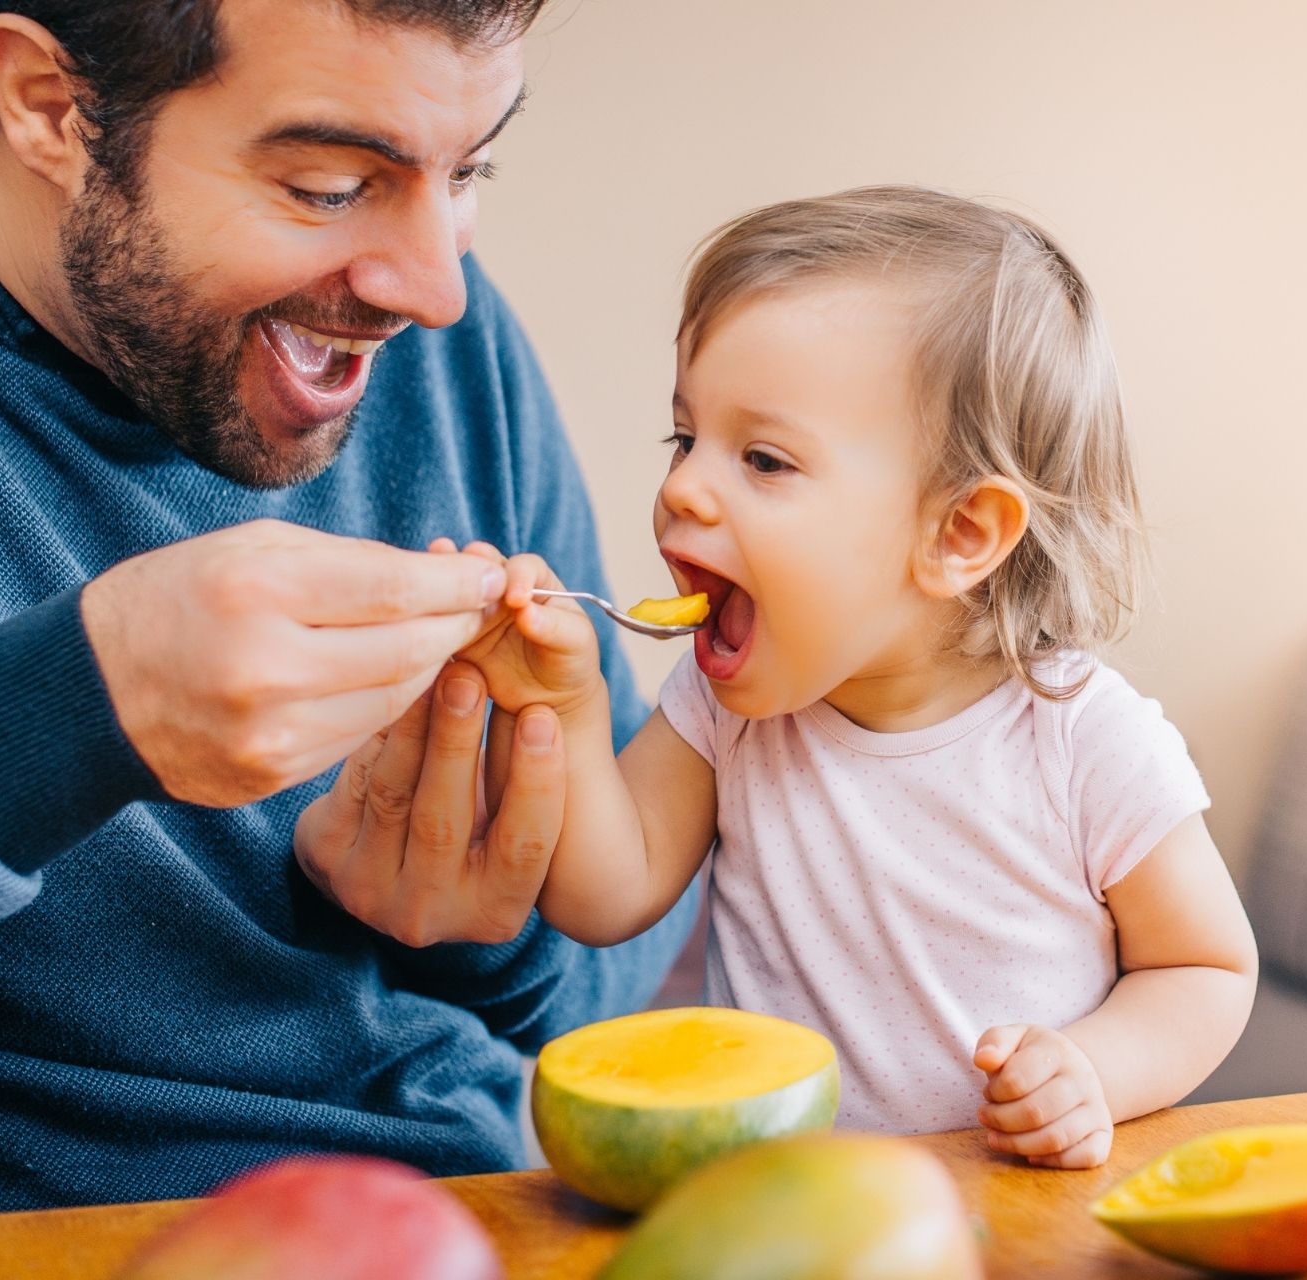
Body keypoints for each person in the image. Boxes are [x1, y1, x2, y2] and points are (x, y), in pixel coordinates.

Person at [0, 0, 692, 1212]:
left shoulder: (428, 341)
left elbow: (633, 946)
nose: (436, 290)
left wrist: (482, 913)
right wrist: (78, 709)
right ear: (52, 104)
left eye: (470, 168)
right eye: (332, 185)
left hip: (492, 1207)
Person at [419, 186, 1259, 1167]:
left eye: (764, 459)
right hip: (784, 1206)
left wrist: (1093, 1069)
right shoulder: (726, 708)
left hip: (1013, 1208)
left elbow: (1205, 963)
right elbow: (605, 895)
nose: (683, 486)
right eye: (685, 438)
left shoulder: (1080, 737)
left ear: (959, 534)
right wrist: (565, 704)